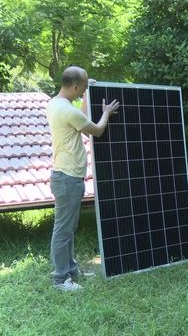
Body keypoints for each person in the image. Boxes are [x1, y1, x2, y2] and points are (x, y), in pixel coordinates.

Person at [46, 66, 120, 291]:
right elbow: (96, 130)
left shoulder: (56, 104)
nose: (84, 90)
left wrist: (87, 96)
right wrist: (106, 112)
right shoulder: (68, 111)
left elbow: (81, 116)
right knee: (63, 229)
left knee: (68, 227)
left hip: (65, 175)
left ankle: (70, 269)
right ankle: (61, 279)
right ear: (75, 86)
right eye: (84, 87)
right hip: (67, 178)